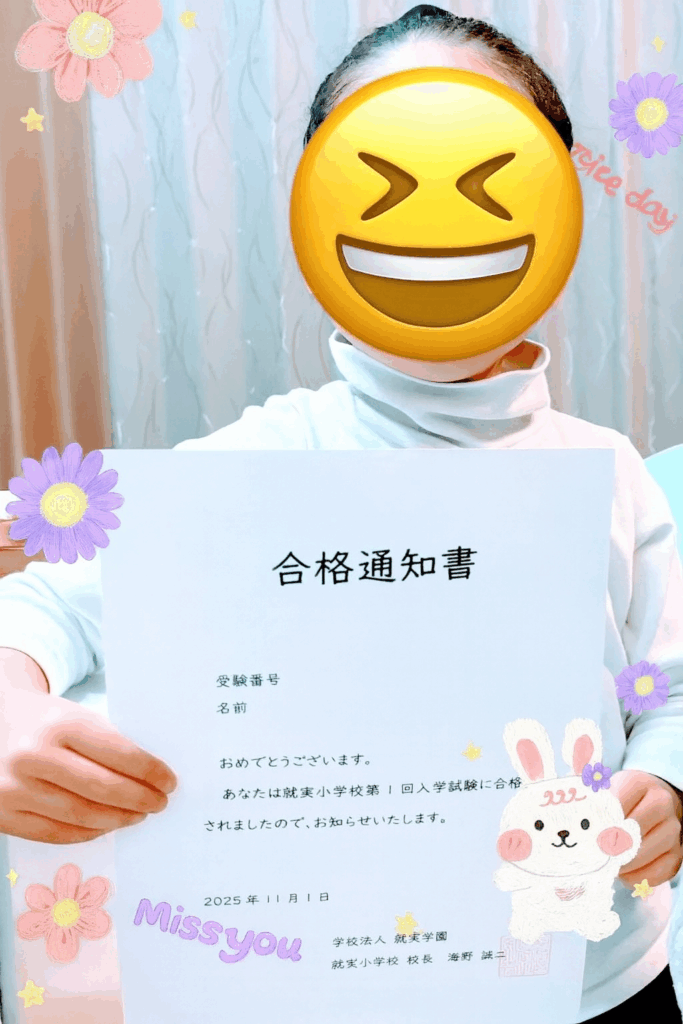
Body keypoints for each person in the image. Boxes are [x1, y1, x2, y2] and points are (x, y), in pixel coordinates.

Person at [0, 6, 681, 1022]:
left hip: (592, 978)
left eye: (485, 167)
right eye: (383, 171)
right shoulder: (256, 466)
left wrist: (665, 784)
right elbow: (42, 608)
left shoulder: (608, 471)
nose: (436, 215)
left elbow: (667, 688)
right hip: (342, 981)